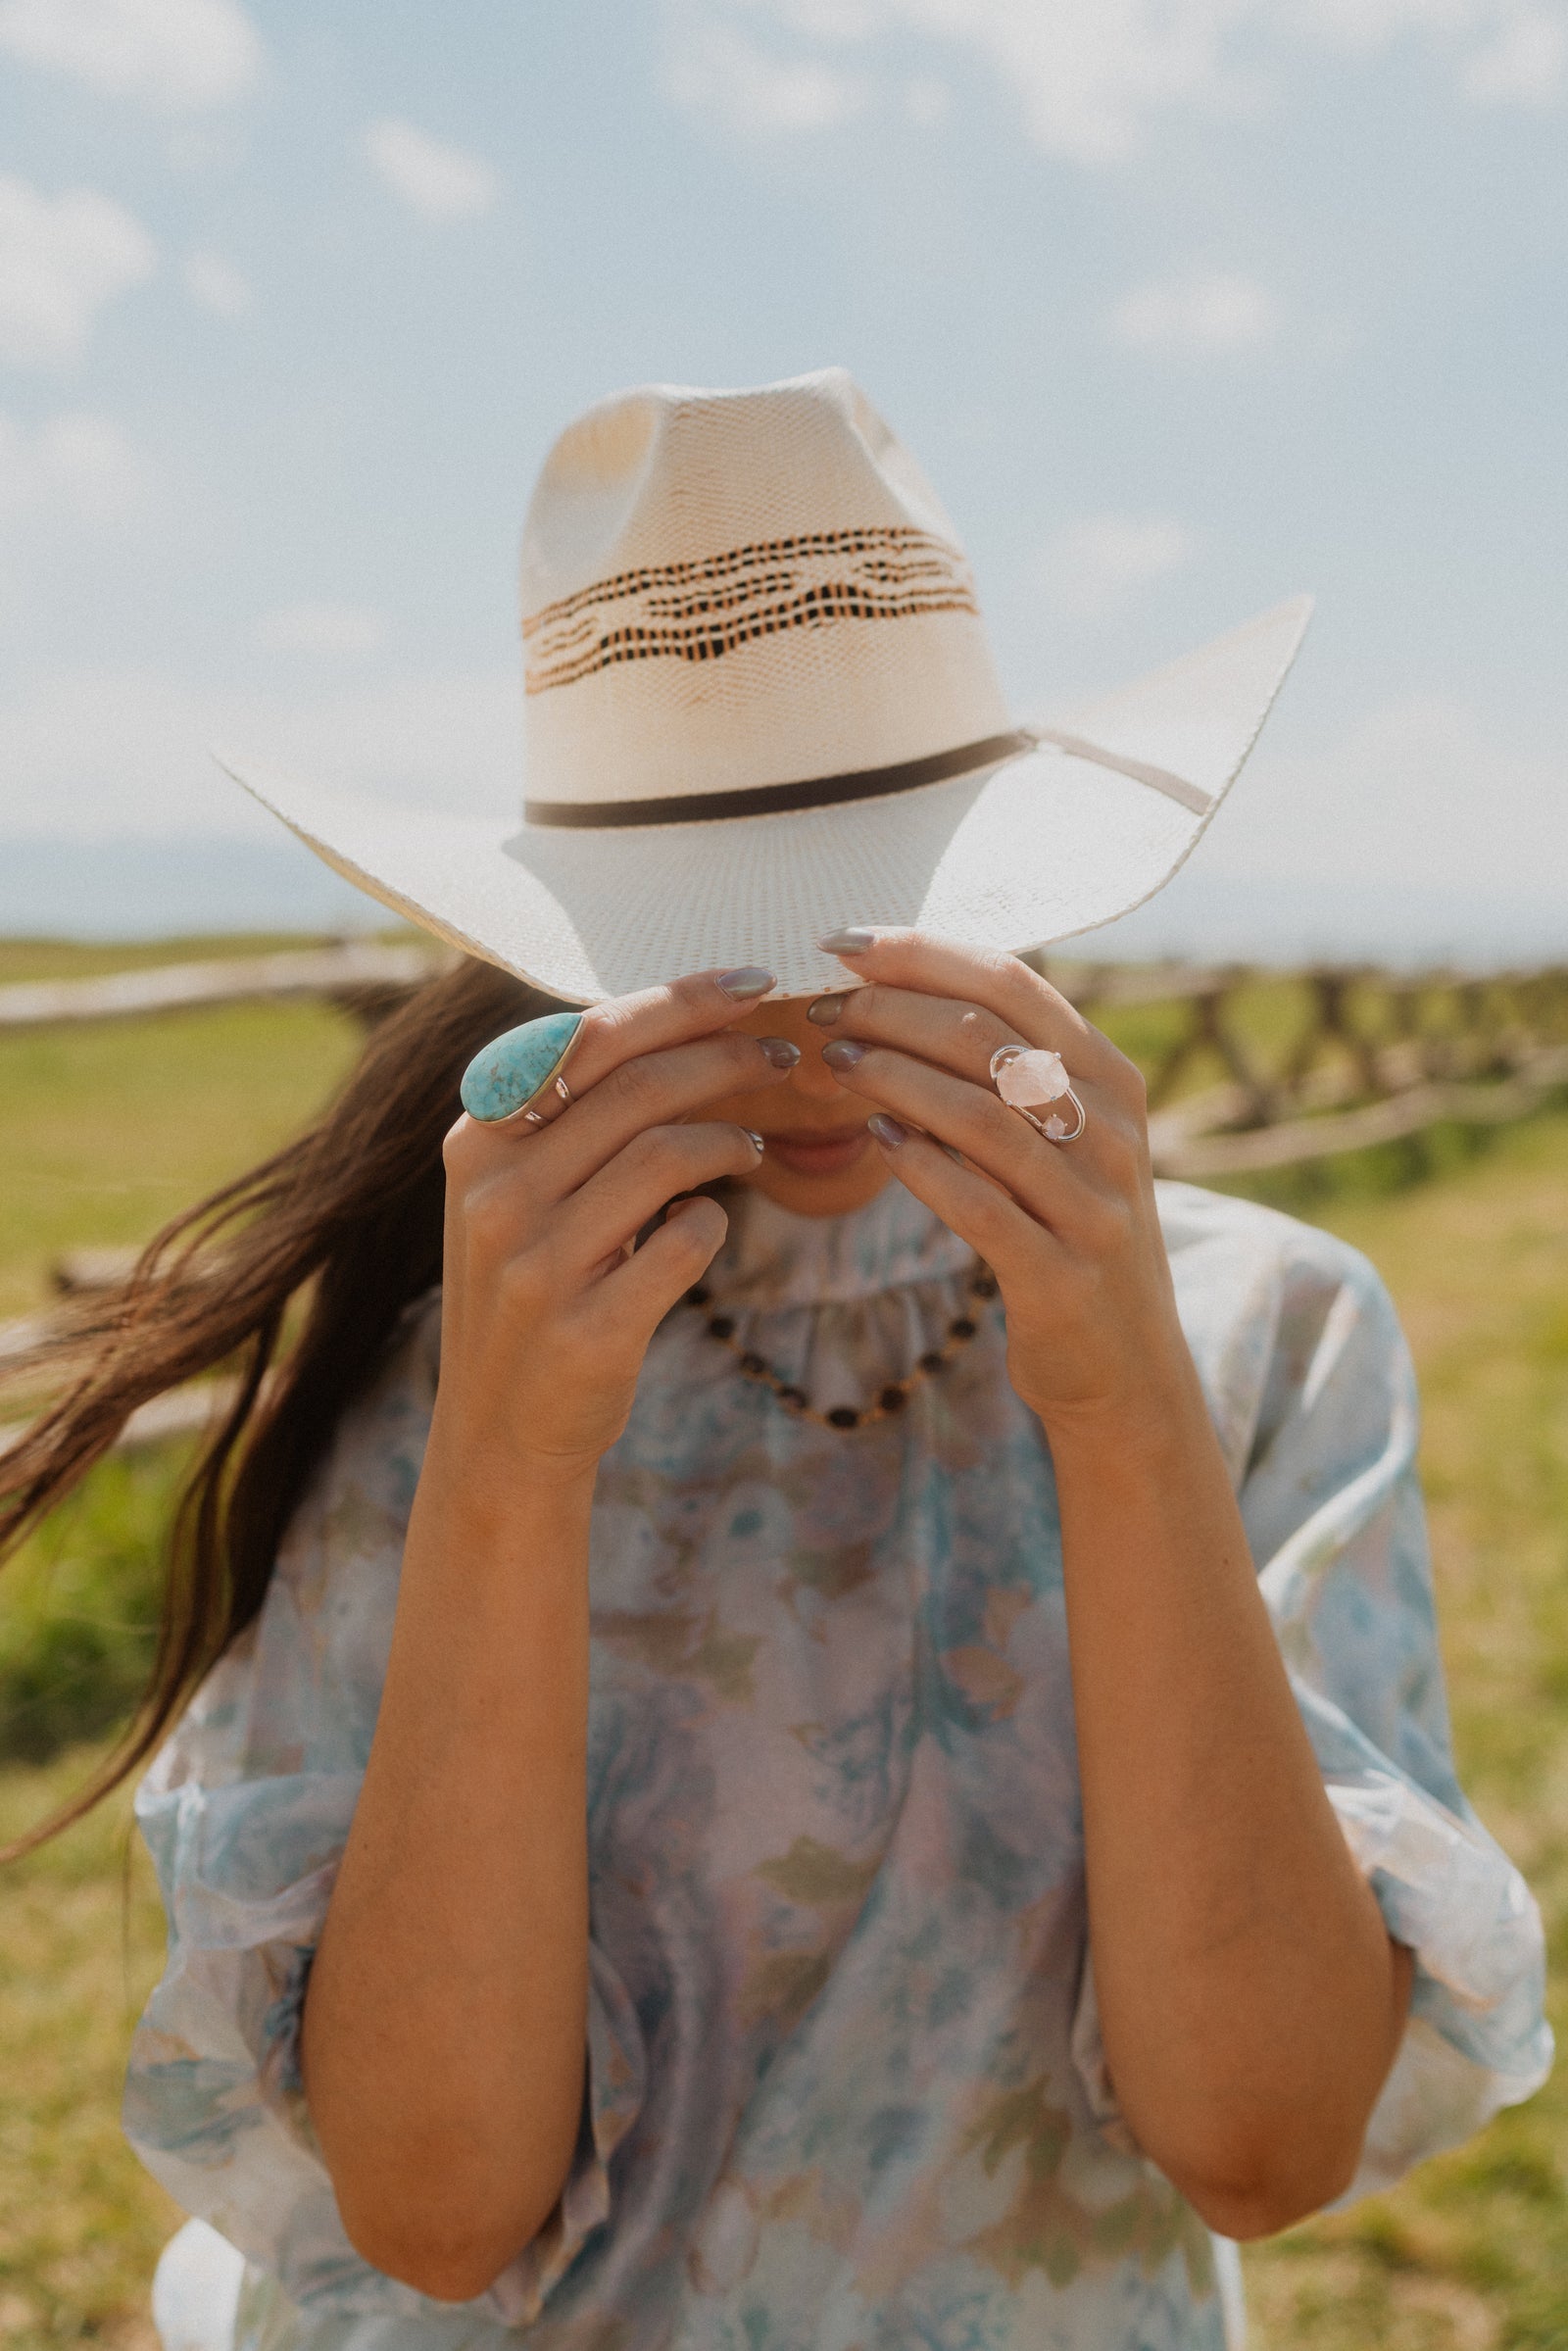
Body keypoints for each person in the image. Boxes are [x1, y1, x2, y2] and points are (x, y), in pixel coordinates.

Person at [4, 370, 1548, 2351]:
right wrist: (509, 1462)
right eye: (721, 950)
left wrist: (1116, 1397)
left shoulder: (1266, 1330)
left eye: (885, 932)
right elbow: (434, 2210)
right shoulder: (440, 1374)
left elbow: (1257, 2143)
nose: (811, 1037)